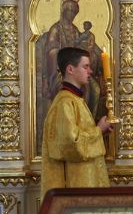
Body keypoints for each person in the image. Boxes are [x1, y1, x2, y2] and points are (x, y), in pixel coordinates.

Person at [40, 46, 113, 201]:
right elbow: (71, 144)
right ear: (70, 69)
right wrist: (99, 130)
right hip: (76, 185)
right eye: (85, 67)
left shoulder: (75, 99)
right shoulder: (65, 103)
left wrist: (100, 130)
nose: (90, 71)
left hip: (86, 181)